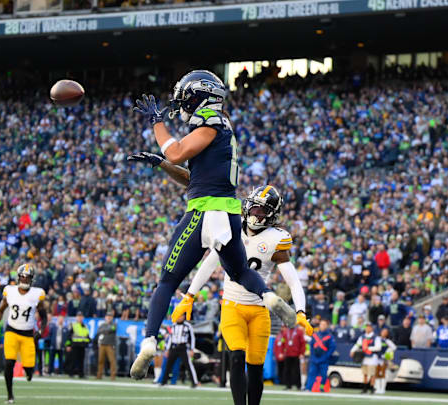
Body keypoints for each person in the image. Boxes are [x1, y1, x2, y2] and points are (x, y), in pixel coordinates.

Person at [127, 71, 296, 379]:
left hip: (204, 212)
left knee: (167, 281)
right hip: (228, 214)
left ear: (199, 96)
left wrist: (156, 123)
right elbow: (193, 178)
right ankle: (270, 297)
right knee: (242, 271)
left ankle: (149, 343)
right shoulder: (220, 129)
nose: (181, 103)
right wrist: (160, 164)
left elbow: (176, 152)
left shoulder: (211, 122)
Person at [170, 185, 313, 404]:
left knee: (255, 366)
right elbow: (209, 264)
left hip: (259, 310)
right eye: (254, 208)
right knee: (236, 357)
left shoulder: (276, 239)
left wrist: (301, 311)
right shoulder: (232, 228)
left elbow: (293, 281)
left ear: (271, 215)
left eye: (261, 211)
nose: (255, 213)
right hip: (232, 306)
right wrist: (190, 295)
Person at [0, 264, 47, 404]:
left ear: (32, 279)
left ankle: (29, 373)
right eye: (22, 276)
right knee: (9, 362)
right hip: (11, 331)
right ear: (18, 277)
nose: (24, 279)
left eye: (27, 277)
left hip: (28, 334)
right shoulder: (10, 291)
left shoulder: (37, 294)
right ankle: (10, 396)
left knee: (29, 370)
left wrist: (40, 330)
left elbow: (44, 316)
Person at [160, 314, 199, 388]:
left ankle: (194, 382)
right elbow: (170, 338)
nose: (178, 318)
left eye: (180, 316)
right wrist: (167, 349)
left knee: (188, 365)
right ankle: (163, 382)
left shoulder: (187, 326)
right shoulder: (173, 325)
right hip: (173, 347)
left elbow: (192, 338)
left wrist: (192, 349)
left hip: (183, 347)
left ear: (183, 317)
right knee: (168, 365)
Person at [350, 322, 382, 394]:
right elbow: (357, 344)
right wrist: (352, 350)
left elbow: (378, 347)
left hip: (372, 357)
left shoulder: (376, 337)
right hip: (364, 357)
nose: (367, 328)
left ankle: (372, 387)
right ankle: (365, 388)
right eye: (366, 327)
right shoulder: (362, 337)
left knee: (372, 374)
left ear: (371, 328)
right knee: (365, 373)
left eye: (369, 327)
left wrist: (368, 348)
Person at [305, 319, 336, 392]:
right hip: (314, 358)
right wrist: (312, 356)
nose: (322, 326)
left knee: (324, 375)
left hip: (324, 359)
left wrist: (326, 356)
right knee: (311, 374)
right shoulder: (315, 335)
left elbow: (332, 347)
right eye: (321, 324)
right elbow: (311, 346)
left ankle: (322, 387)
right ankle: (308, 388)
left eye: (324, 325)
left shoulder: (329, 336)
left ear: (327, 326)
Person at [281, 325, 306, 390]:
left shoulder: (299, 331)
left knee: (296, 370)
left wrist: (302, 353)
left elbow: (303, 343)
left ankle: (298, 386)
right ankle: (288, 385)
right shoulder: (286, 332)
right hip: (288, 354)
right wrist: (283, 351)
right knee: (287, 370)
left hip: (296, 354)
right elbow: (283, 341)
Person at [95, 311, 118, 380]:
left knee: (112, 361)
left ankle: (113, 376)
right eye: (107, 316)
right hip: (102, 344)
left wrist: (105, 330)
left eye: (110, 316)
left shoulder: (114, 324)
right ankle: (99, 375)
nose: (108, 318)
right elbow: (99, 331)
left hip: (110, 345)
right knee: (100, 360)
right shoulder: (102, 325)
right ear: (105, 317)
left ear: (112, 318)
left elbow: (112, 329)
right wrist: (107, 330)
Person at [68, 311, 90, 379]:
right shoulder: (73, 325)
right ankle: (71, 373)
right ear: (76, 317)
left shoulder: (85, 326)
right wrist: (68, 345)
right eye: (78, 316)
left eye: (81, 316)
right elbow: (69, 336)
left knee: (81, 361)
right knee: (73, 360)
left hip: (82, 346)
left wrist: (88, 342)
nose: (80, 318)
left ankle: (81, 374)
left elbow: (86, 336)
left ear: (83, 317)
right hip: (75, 345)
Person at [375, 328, 396, 394]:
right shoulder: (377, 339)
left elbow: (394, 347)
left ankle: (382, 389)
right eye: (383, 331)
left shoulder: (387, 341)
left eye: (385, 332)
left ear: (387, 334)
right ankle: (377, 388)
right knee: (377, 373)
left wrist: (386, 354)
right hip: (376, 358)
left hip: (383, 359)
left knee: (383, 374)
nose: (384, 333)